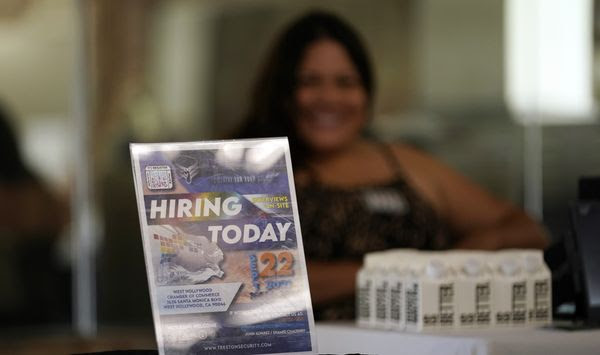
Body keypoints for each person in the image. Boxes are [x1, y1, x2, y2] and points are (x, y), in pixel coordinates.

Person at [235, 10, 548, 319]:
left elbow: (529, 231)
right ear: (282, 92)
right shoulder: (247, 170)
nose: (329, 97)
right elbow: (238, 282)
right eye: (310, 81)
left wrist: (475, 248)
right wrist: (404, 272)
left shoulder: (405, 163)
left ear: (367, 93)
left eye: (346, 82)